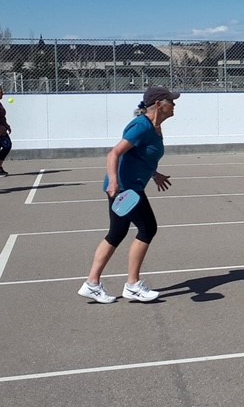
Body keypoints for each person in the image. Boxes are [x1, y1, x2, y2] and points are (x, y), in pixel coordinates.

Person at [77, 86, 179, 304]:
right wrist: (114, 182)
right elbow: (114, 153)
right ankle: (132, 285)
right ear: (159, 105)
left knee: (117, 232)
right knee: (148, 227)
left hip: (131, 185)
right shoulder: (141, 126)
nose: (174, 105)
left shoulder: (154, 127)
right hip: (125, 188)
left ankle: (91, 284)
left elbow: (141, 156)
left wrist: (154, 174)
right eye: (171, 101)